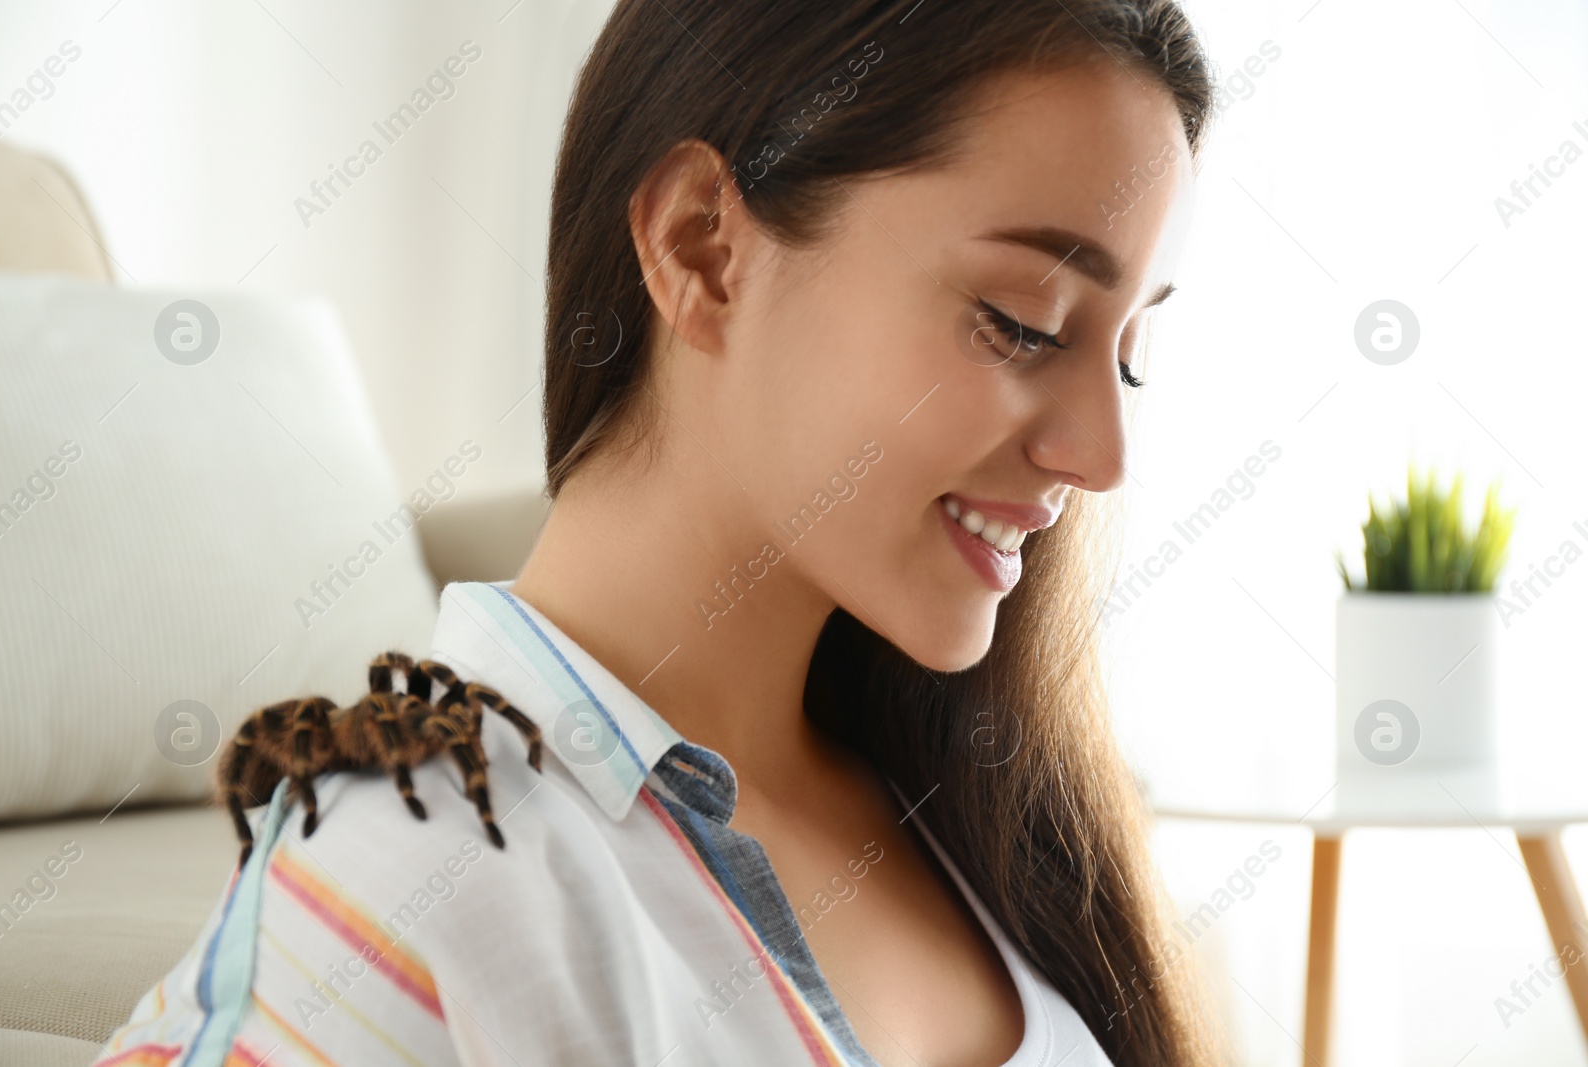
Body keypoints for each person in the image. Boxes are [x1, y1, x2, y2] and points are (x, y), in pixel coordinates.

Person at [95, 1, 1221, 1063]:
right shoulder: (420, 865)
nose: (1103, 454)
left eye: (1130, 352)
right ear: (700, 249)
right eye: (1024, 324)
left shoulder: (986, 824)